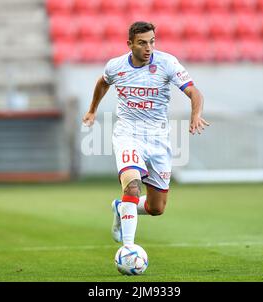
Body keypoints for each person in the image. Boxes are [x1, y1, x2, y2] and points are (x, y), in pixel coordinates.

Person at [82, 21, 209, 246]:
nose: (148, 48)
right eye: (142, 43)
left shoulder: (167, 63)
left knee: (156, 208)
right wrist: (92, 110)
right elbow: (103, 82)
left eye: (151, 42)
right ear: (130, 44)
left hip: (158, 138)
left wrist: (196, 114)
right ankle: (128, 249)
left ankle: (122, 208)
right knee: (131, 185)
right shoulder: (116, 66)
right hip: (128, 134)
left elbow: (194, 91)